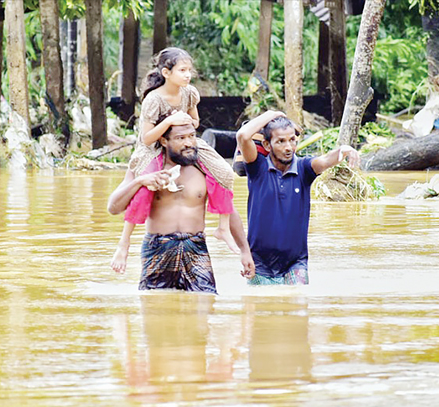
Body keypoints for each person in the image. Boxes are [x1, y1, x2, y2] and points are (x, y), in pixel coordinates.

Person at [111, 47, 239, 275]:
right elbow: (146, 137)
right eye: (182, 70)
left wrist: (185, 125)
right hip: (153, 145)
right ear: (166, 72)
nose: (187, 74)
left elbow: (196, 122)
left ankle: (223, 227)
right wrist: (170, 122)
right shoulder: (154, 99)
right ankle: (124, 241)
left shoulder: (189, 92)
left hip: (186, 140)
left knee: (225, 173)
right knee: (145, 185)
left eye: (189, 70)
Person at [107, 120, 255, 293]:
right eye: (180, 138)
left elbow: (229, 209)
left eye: (192, 136)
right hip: (158, 246)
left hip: (195, 246)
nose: (189, 143)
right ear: (164, 141)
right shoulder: (147, 168)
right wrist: (140, 181)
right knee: (154, 306)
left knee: (206, 301)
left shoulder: (206, 169)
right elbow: (113, 208)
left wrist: (245, 251)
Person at [235, 110, 360, 285]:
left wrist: (343, 150)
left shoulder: (304, 168)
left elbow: (324, 161)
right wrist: (272, 114)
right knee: (261, 309)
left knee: (298, 306)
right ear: (267, 144)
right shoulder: (257, 168)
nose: (288, 147)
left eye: (292, 140)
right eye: (280, 141)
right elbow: (242, 135)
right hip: (259, 264)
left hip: (295, 263)